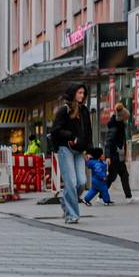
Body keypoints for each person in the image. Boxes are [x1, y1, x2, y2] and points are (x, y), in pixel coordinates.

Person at [46, 83, 92, 224]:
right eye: (79, 93)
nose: (82, 95)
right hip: (65, 149)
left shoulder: (84, 111)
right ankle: (72, 215)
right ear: (73, 94)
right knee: (71, 182)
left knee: (82, 182)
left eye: (83, 93)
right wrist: (71, 136)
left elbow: (88, 132)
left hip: (79, 150)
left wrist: (89, 150)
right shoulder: (64, 110)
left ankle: (66, 202)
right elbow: (55, 131)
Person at [105, 104, 137, 203]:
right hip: (115, 156)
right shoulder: (115, 127)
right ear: (121, 118)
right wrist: (108, 156)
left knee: (121, 175)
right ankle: (101, 196)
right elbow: (109, 142)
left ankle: (128, 197)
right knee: (112, 177)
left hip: (118, 156)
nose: (126, 120)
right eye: (126, 118)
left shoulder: (119, 125)